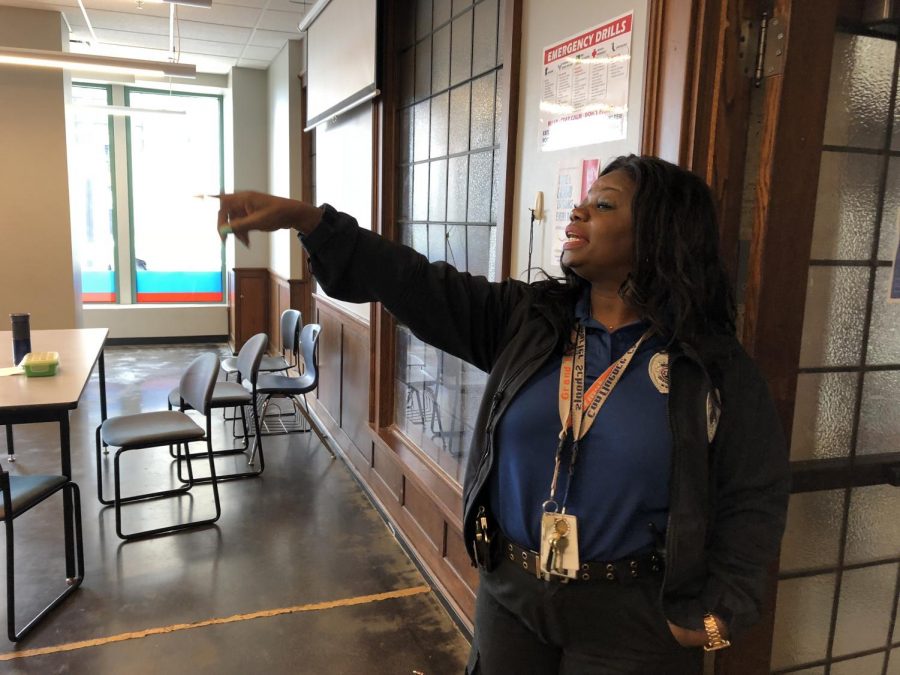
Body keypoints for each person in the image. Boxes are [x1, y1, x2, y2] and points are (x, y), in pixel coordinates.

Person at [216, 154, 790, 674]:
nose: (579, 209)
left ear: (661, 233)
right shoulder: (530, 320)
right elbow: (414, 282)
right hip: (511, 591)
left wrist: (718, 619)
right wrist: (309, 219)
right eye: (585, 199)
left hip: (633, 615)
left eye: (604, 203)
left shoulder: (709, 364)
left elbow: (754, 495)